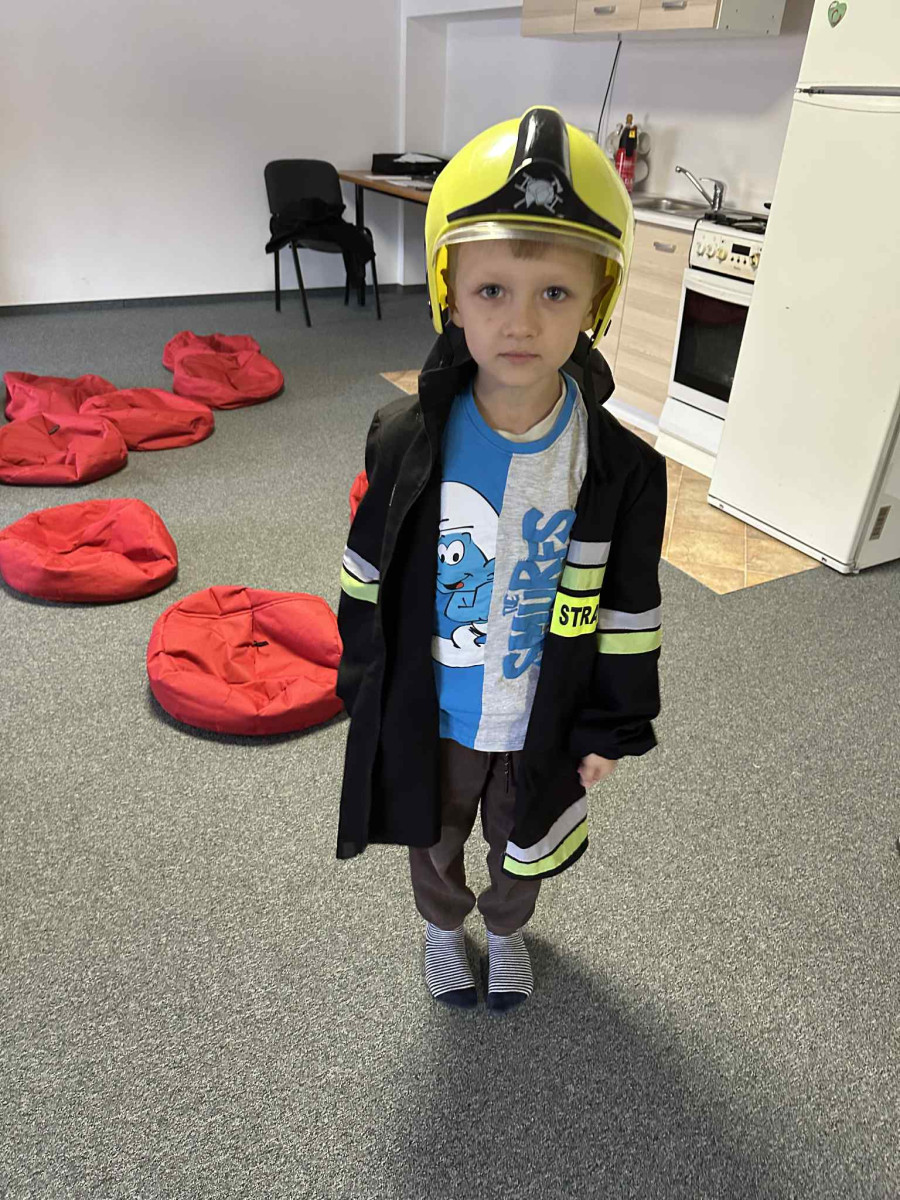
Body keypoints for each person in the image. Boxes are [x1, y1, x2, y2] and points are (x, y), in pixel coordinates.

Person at [335, 106, 667, 1012]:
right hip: (437, 710)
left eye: (555, 293)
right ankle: (444, 928)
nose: (521, 322)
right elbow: (365, 573)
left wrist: (610, 727)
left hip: (542, 712)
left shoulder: (622, 470)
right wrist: (362, 681)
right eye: (492, 290)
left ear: (597, 302)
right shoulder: (405, 438)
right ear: (449, 293)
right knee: (434, 835)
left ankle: (509, 931)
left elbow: (630, 610)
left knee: (524, 843)